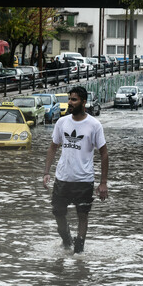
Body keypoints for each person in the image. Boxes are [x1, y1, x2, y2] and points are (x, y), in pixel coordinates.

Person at [43, 86, 109, 253]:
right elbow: (53, 147)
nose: (70, 103)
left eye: (74, 100)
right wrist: (46, 172)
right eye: (69, 99)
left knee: (83, 215)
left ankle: (79, 250)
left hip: (84, 180)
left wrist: (103, 183)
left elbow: (104, 153)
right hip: (62, 178)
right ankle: (66, 240)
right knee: (58, 213)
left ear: (83, 102)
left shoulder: (94, 125)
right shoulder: (62, 122)